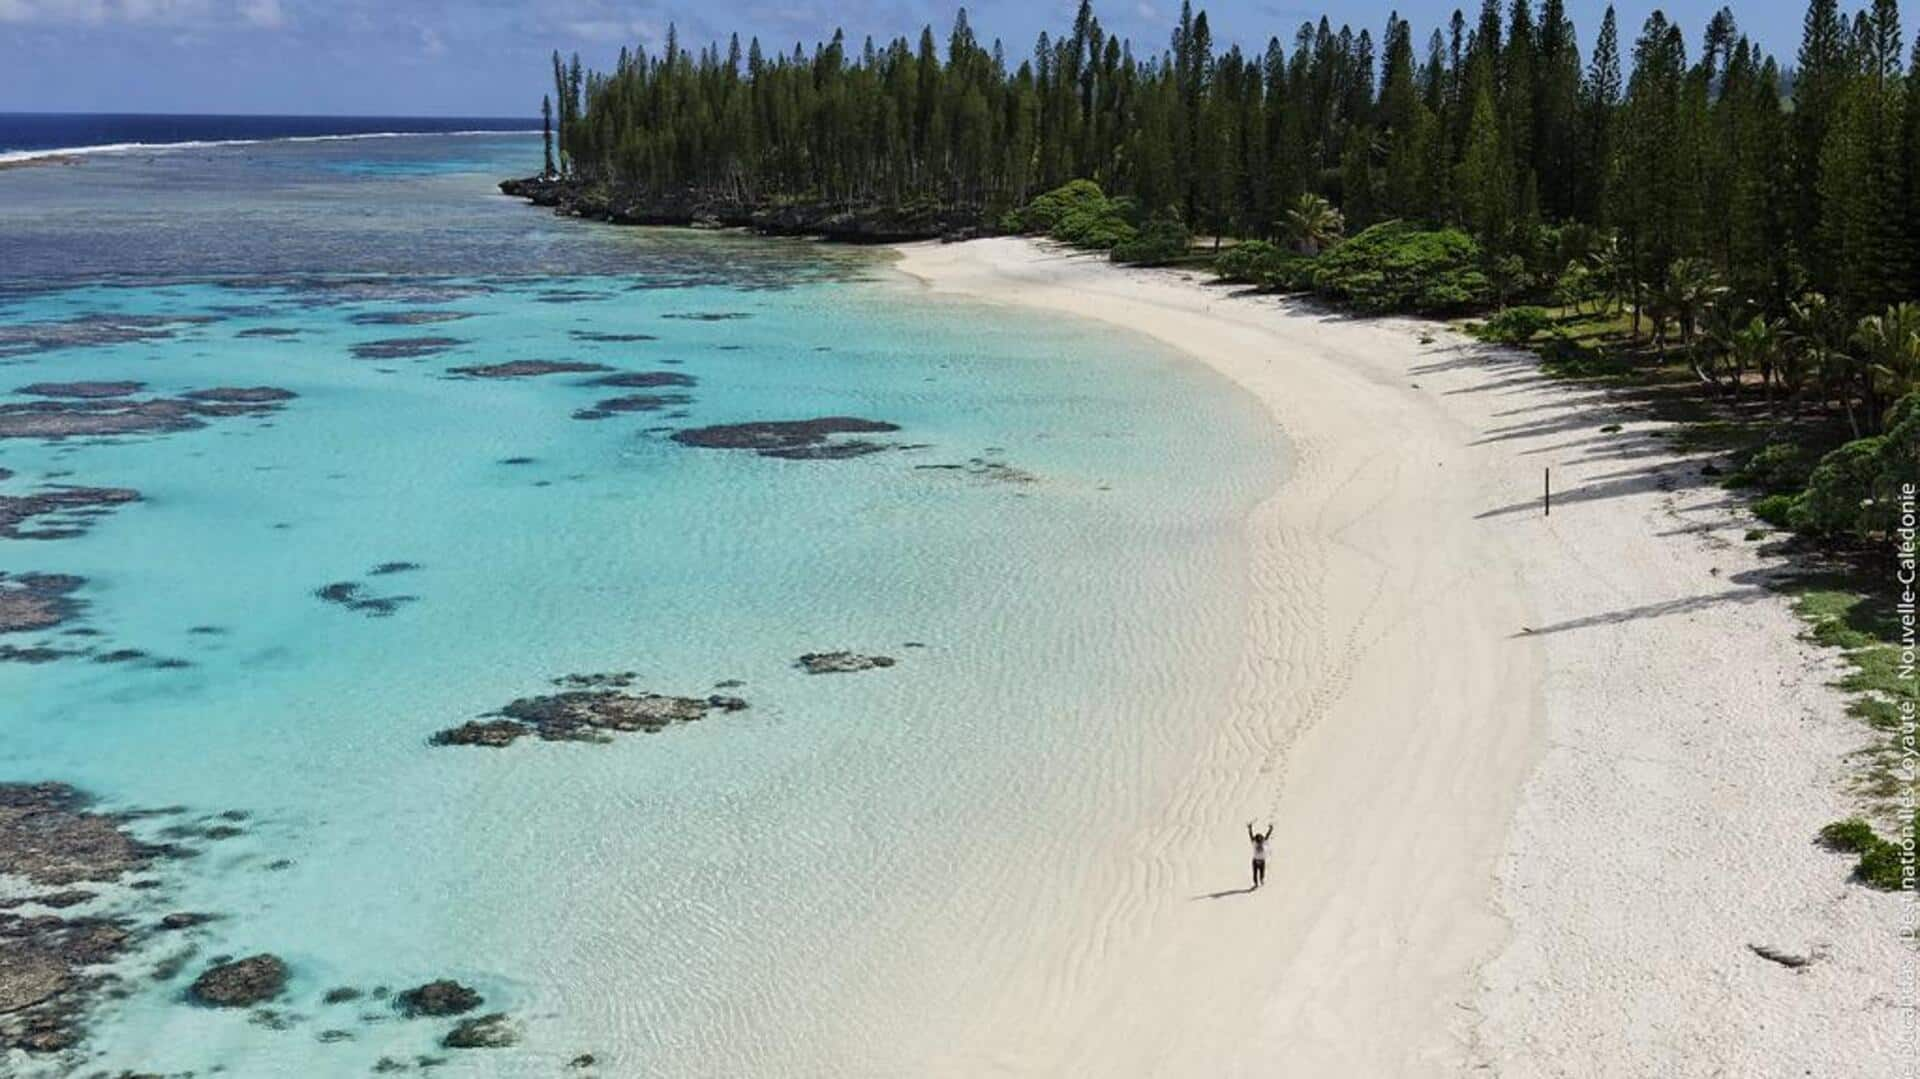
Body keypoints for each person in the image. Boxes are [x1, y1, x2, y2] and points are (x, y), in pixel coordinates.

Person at [1247, 821, 1273, 889]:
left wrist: (1270, 829)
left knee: (1261, 872)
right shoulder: (1254, 843)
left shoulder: (1263, 842)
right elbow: (1251, 836)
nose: (1259, 842)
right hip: (1256, 861)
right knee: (1255, 873)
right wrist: (1250, 829)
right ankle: (1256, 883)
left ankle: (1261, 880)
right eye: (1258, 840)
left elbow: (1267, 835)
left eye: (1260, 840)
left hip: (1261, 860)